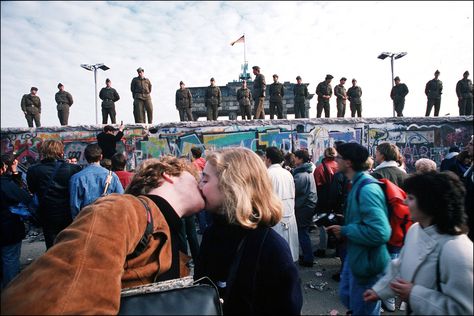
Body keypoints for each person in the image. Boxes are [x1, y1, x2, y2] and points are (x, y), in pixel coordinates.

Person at [1, 156, 206, 314]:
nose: (200, 180)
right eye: (195, 175)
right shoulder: (124, 208)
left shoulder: (165, 225)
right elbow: (66, 297)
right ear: (167, 175)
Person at [195, 148, 302, 315]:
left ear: (230, 186)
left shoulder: (271, 248)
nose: (199, 185)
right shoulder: (213, 233)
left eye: (205, 179)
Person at [363, 171, 473, 315]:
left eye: (411, 198)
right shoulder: (415, 229)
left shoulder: (456, 249)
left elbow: (464, 310)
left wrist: (414, 294)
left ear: (430, 203)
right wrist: (380, 291)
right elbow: (400, 266)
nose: (404, 201)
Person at [326, 142, 391, 315]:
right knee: (348, 297)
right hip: (357, 257)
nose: (335, 160)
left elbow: (380, 232)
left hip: (368, 263)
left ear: (348, 162)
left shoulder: (367, 189)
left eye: (338, 157)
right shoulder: (357, 184)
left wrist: (345, 230)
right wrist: (344, 222)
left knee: (362, 309)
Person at [26, 140, 82, 249]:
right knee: (70, 244)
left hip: (47, 213)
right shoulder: (73, 168)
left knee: (52, 246)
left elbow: (32, 190)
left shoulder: (33, 170)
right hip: (68, 213)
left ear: (43, 151)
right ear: (60, 151)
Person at [70, 144, 124, 219]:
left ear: (85, 157)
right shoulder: (112, 176)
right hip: (107, 219)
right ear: (101, 157)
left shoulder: (76, 178)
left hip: (85, 220)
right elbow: (121, 199)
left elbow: (74, 206)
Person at [264, 146, 299, 262]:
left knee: (277, 255)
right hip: (289, 214)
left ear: (268, 159)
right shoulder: (287, 173)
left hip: (275, 218)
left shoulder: (267, 174)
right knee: (288, 252)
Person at [0, 160, 31, 288]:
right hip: (7, 230)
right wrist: (15, 172)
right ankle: (10, 293)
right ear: (2, 169)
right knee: (10, 261)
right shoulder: (5, 185)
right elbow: (24, 197)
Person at [292, 149, 318, 267]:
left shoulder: (300, 175)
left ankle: (308, 258)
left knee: (302, 232)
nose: (294, 159)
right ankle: (307, 255)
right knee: (304, 232)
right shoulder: (306, 171)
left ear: (300, 159)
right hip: (308, 205)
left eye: (296, 157)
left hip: (304, 207)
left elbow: (295, 191)